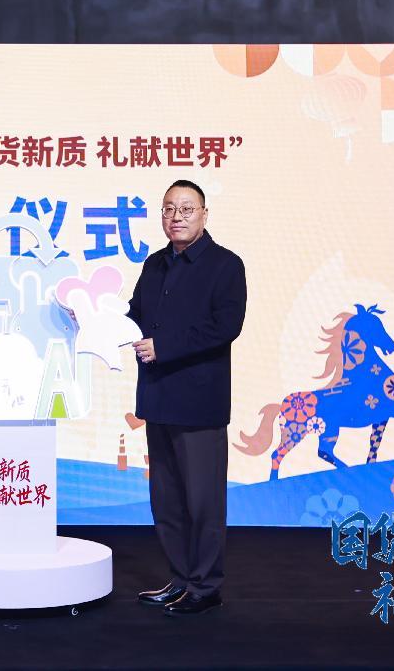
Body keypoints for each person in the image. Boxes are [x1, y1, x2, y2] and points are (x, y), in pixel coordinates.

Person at [128, 179, 246, 616]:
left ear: (204, 214)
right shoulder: (154, 264)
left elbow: (226, 326)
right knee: (167, 501)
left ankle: (205, 585)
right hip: (158, 398)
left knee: (202, 501)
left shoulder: (225, 265)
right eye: (168, 209)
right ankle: (180, 578)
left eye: (186, 209)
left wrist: (164, 346)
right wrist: (87, 314)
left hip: (198, 404)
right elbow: (134, 316)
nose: (176, 217)